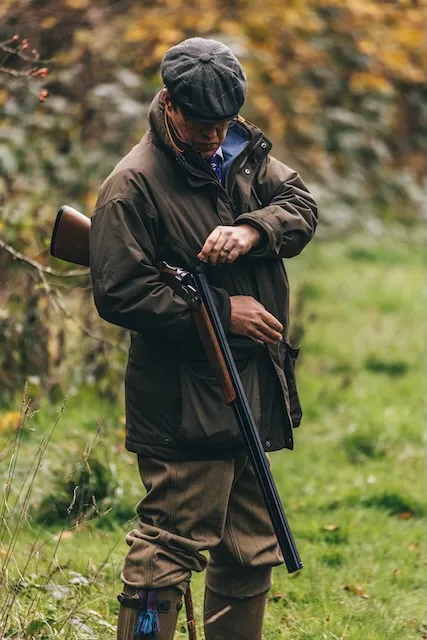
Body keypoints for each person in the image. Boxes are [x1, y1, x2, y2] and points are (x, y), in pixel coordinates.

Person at [90, 37, 318, 640]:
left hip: (249, 386)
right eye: (201, 124)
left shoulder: (243, 153)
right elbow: (118, 292)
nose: (215, 138)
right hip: (184, 396)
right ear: (169, 104)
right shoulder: (131, 186)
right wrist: (218, 309)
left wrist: (251, 229)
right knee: (169, 547)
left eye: (224, 123)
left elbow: (300, 204)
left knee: (249, 546)